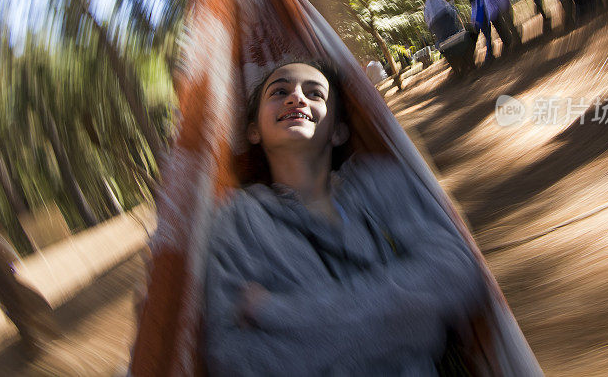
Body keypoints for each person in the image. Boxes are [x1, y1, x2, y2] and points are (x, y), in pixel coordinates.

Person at [203, 60, 485, 375]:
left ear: (338, 131)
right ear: (253, 130)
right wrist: (409, 321)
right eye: (279, 91)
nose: (296, 97)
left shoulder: (381, 182)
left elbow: (456, 273)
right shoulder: (239, 220)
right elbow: (234, 357)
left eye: (315, 93)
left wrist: (281, 311)